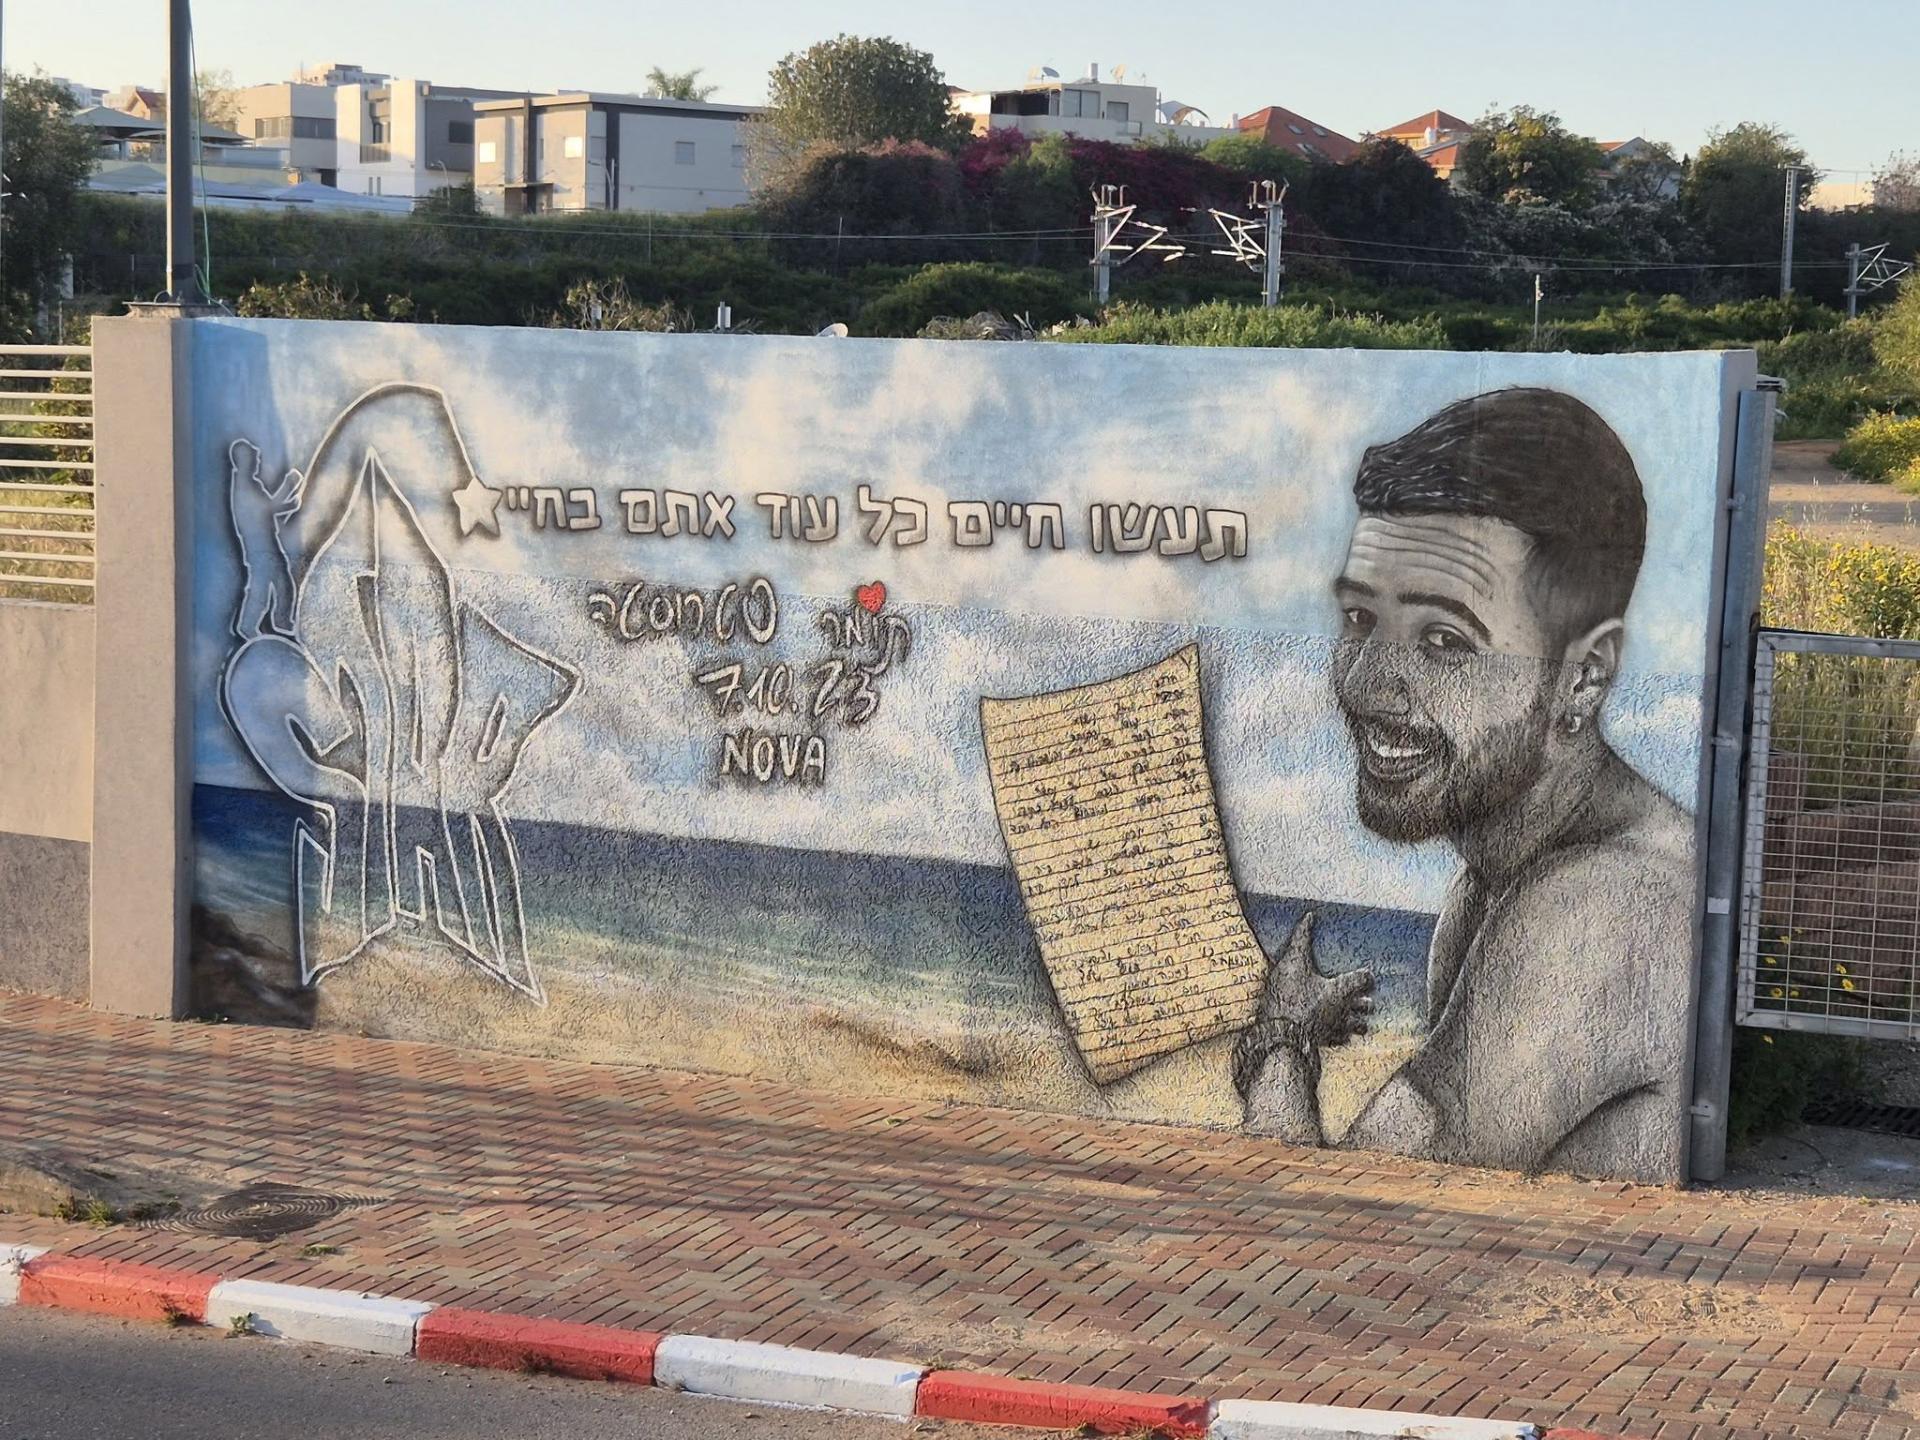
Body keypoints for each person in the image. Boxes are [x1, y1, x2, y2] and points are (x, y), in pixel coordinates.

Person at [1238, 387, 1695, 1178]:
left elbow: (1341, 1208)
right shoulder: (1485, 885)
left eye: (1445, 641)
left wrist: (1282, 1040)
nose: (1367, 684)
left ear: (1584, 678)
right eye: (1359, 621)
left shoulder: (1601, 906)